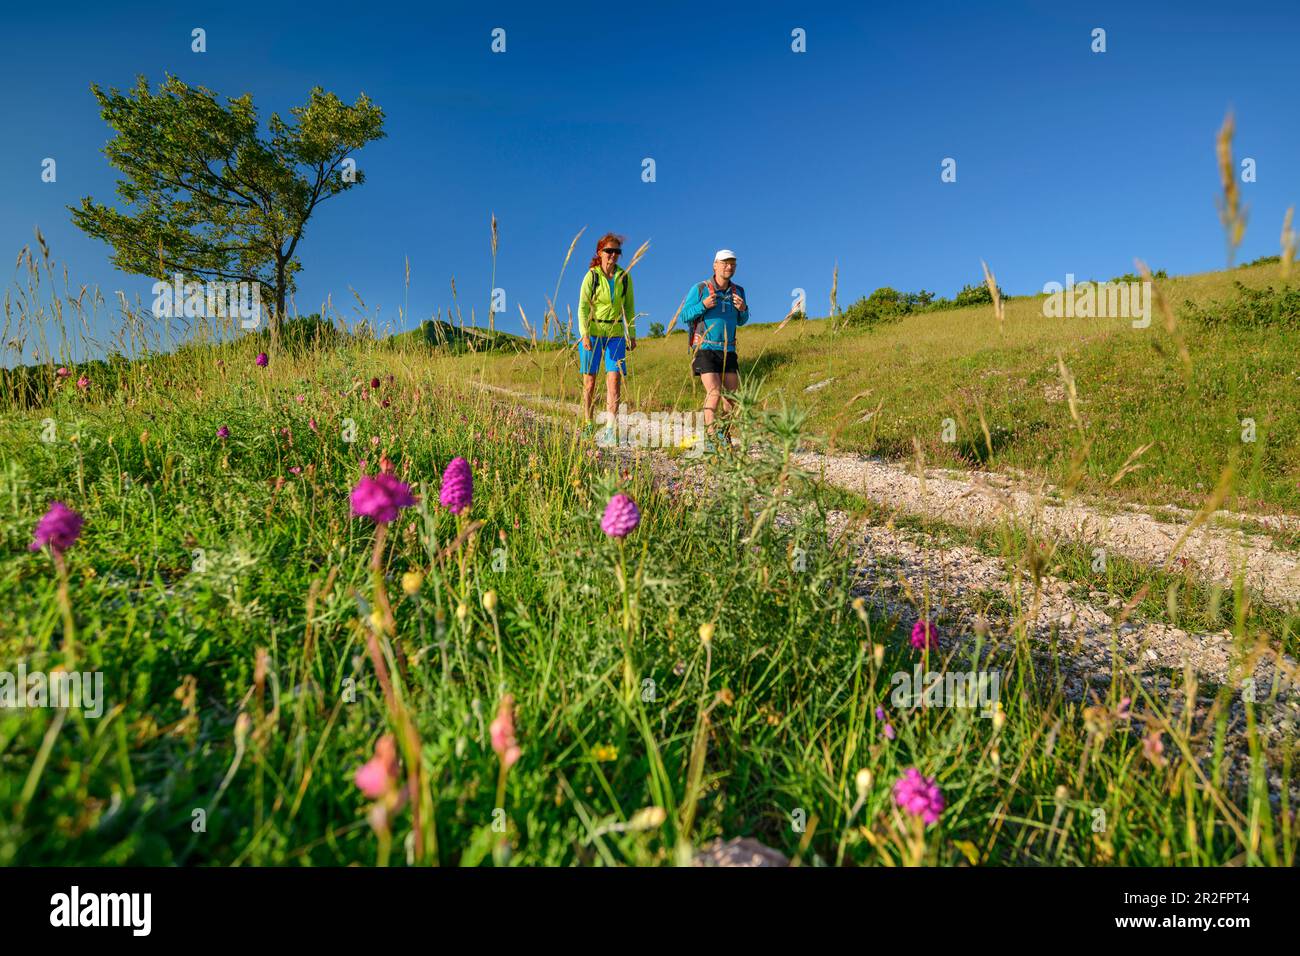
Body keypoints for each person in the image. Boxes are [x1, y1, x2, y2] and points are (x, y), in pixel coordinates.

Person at [680, 249, 748, 437]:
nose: (729, 267)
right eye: (725, 263)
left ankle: (723, 435)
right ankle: (710, 437)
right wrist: (703, 305)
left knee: (732, 398)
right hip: (704, 348)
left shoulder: (739, 291)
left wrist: (743, 309)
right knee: (715, 392)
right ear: (715, 265)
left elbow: (742, 321)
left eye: (733, 264)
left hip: (729, 350)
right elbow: (684, 316)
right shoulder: (700, 289)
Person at [577, 232, 636, 442]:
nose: (613, 255)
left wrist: (632, 334)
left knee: (614, 380)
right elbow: (583, 308)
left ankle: (611, 429)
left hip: (616, 333)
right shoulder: (591, 276)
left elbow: (629, 308)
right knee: (590, 381)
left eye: (616, 251)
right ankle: (588, 422)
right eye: (609, 251)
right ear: (599, 252)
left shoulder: (624, 277)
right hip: (593, 332)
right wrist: (584, 334)